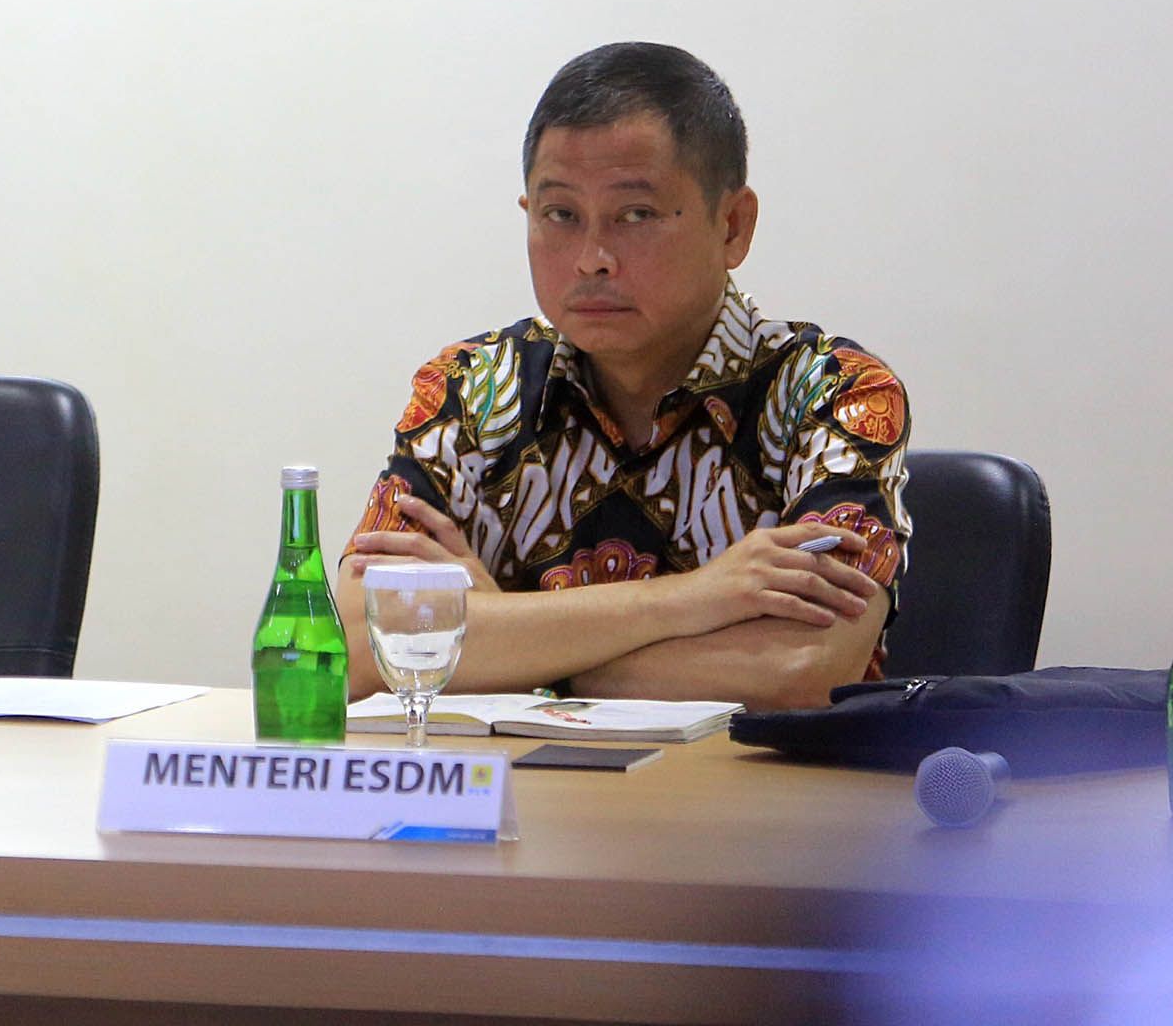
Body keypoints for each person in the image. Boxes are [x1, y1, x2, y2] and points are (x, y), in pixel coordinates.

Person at [344, 43, 911, 710]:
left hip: (753, 807)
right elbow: (359, 648)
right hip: (531, 806)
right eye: (560, 215)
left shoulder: (834, 392)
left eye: (635, 215)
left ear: (733, 225)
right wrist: (693, 598)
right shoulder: (469, 390)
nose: (592, 259)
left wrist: (513, 650)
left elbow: (802, 670)